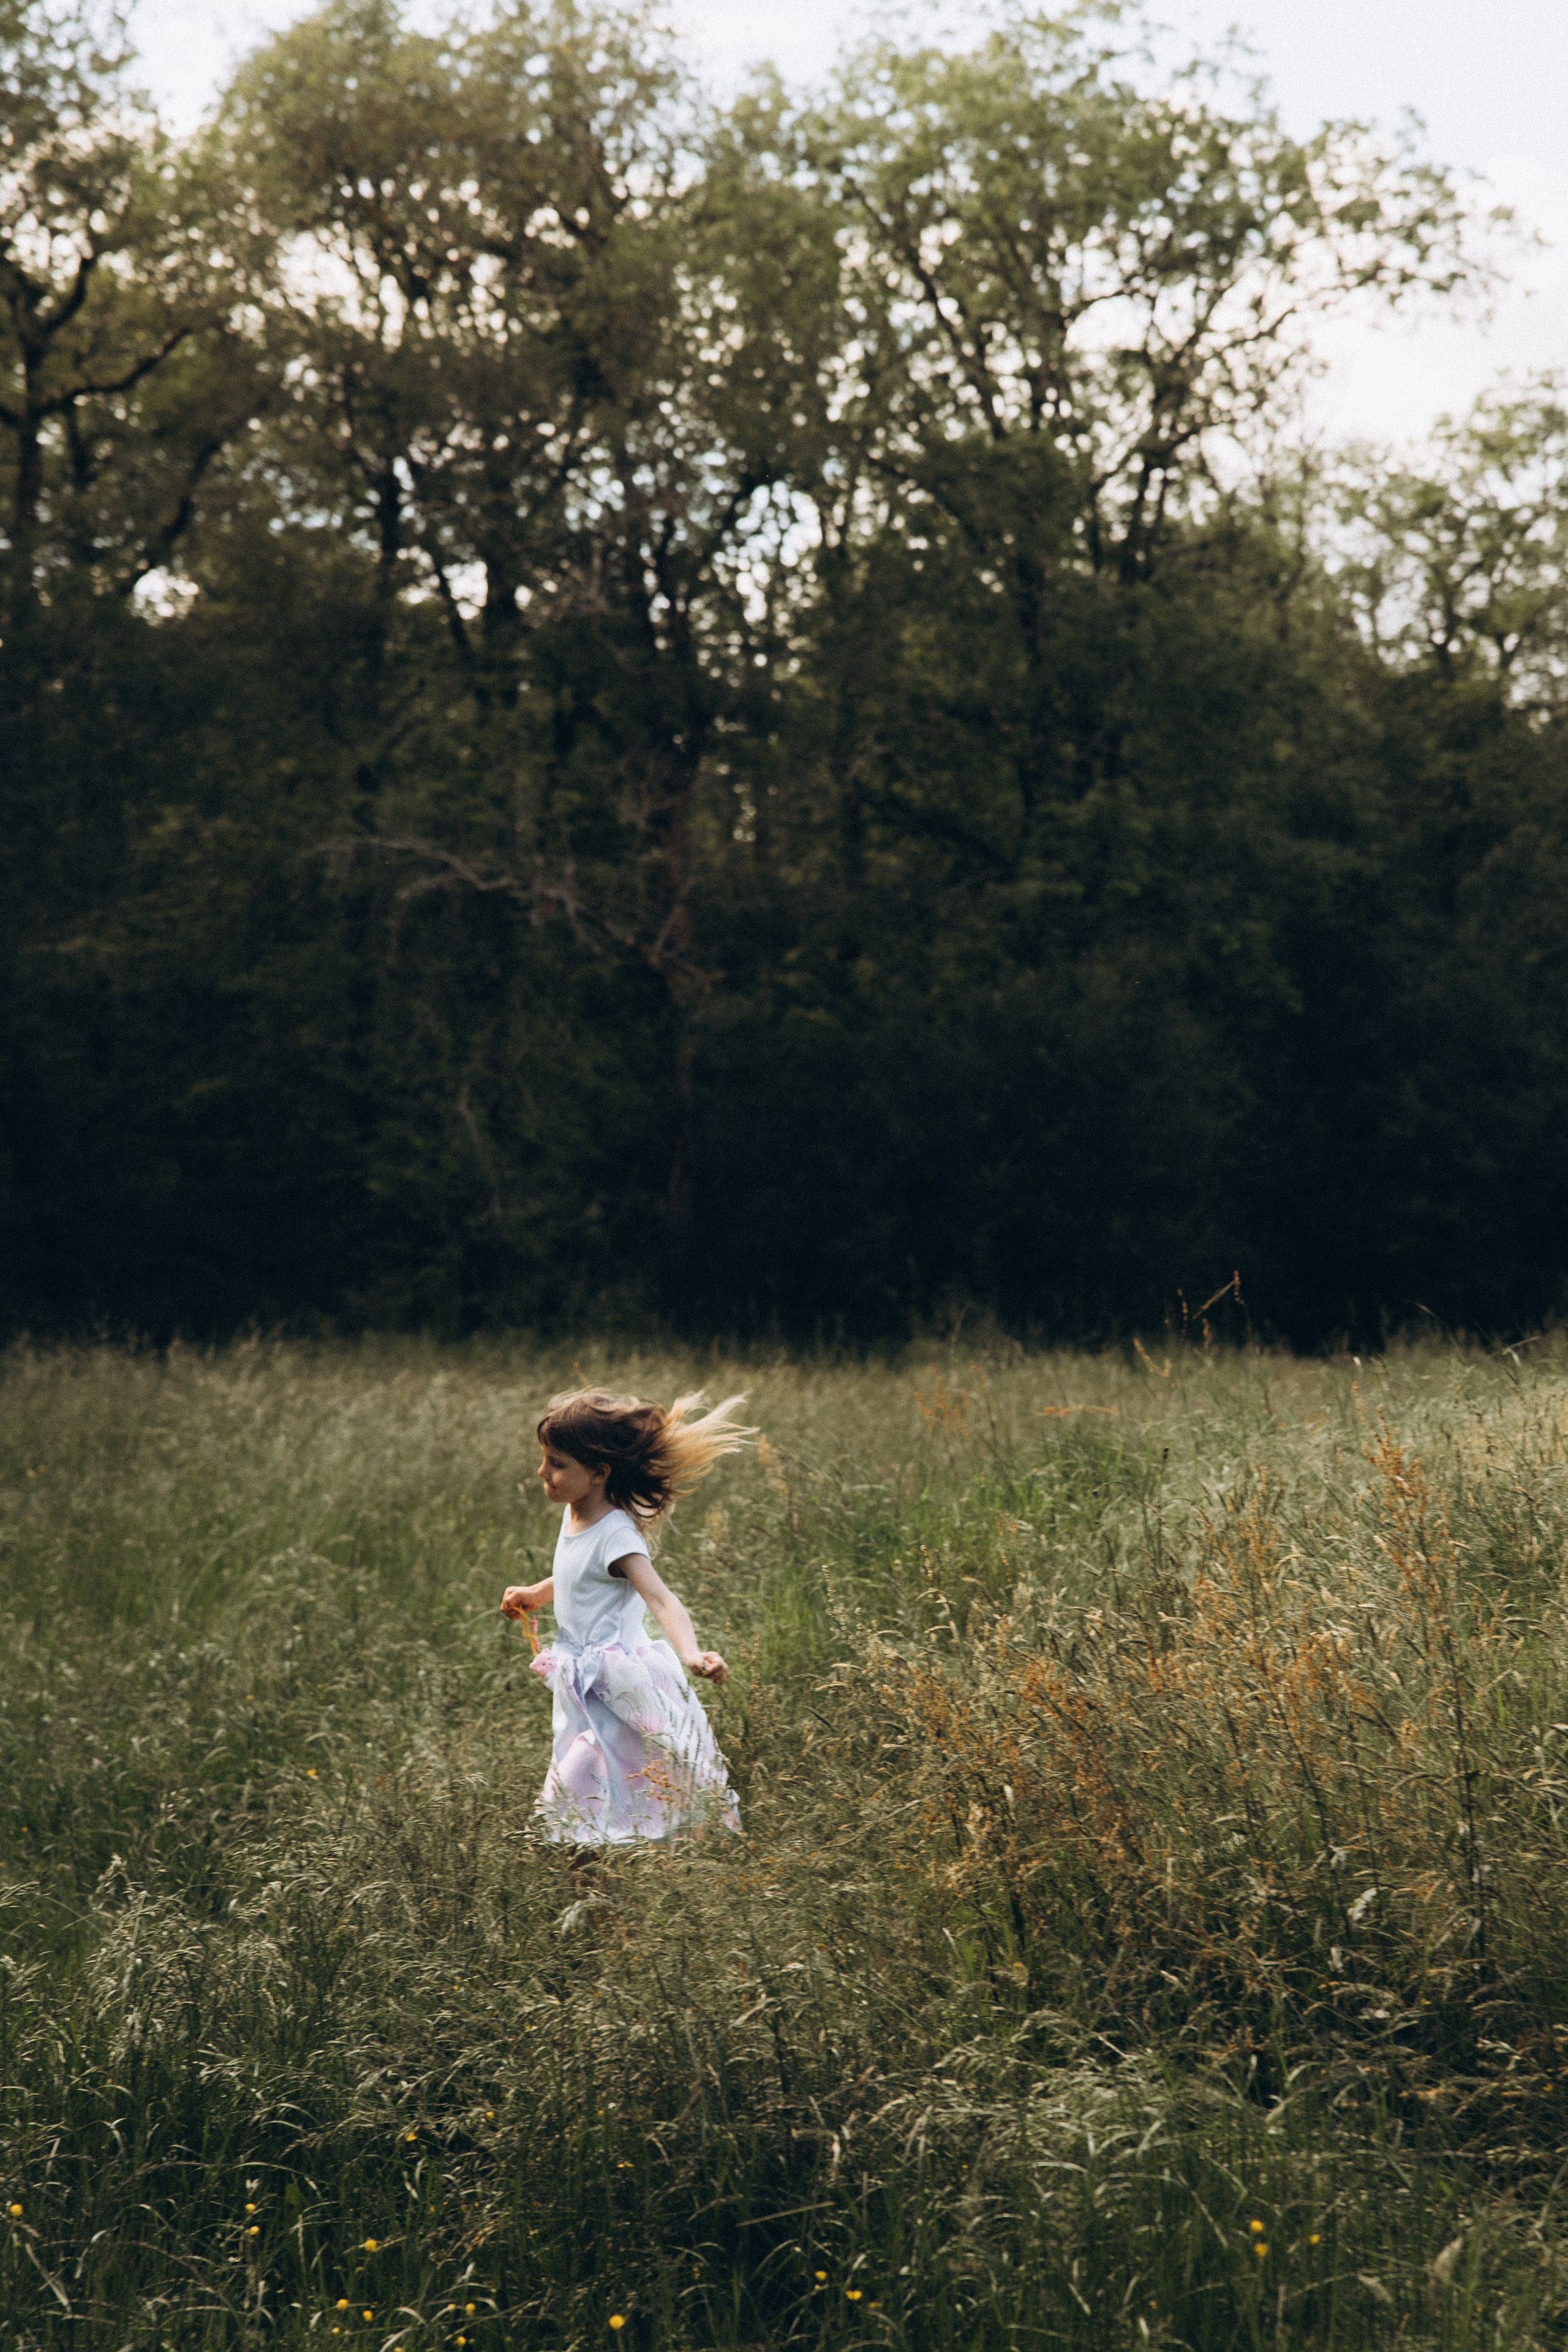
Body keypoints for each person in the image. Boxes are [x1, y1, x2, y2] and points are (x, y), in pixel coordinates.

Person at [500, 1387, 752, 1845]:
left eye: (557, 1464)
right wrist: (539, 1593)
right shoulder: (577, 1513)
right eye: (545, 1459)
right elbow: (580, 1573)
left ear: (599, 1472)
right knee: (604, 1790)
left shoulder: (618, 1535)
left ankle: (606, 1878)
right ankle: (611, 1887)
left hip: (616, 1684)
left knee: (577, 1794)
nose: (543, 1472)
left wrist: (692, 1653)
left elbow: (661, 1600)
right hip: (583, 1685)